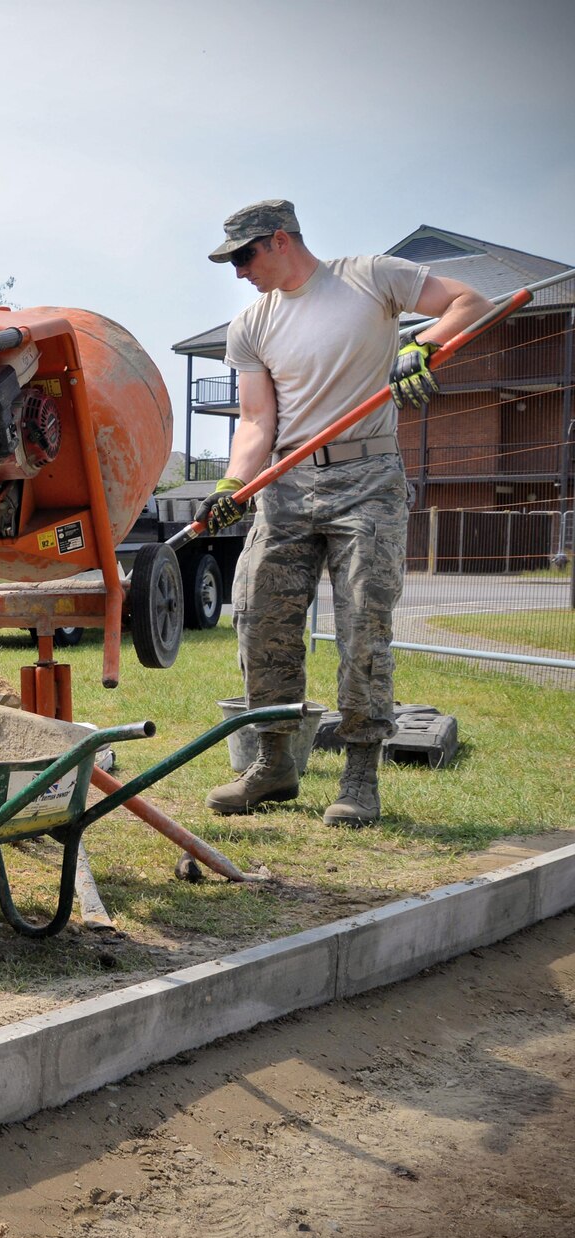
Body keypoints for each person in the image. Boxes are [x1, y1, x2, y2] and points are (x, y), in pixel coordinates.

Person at [197, 200, 490, 826]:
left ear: (279, 241)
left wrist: (422, 348)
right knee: (259, 619)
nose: (238, 271)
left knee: (362, 630)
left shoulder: (372, 276)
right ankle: (274, 764)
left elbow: (470, 301)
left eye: (244, 256)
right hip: (284, 484)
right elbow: (255, 421)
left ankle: (360, 779)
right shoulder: (250, 324)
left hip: (369, 479)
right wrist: (232, 482)